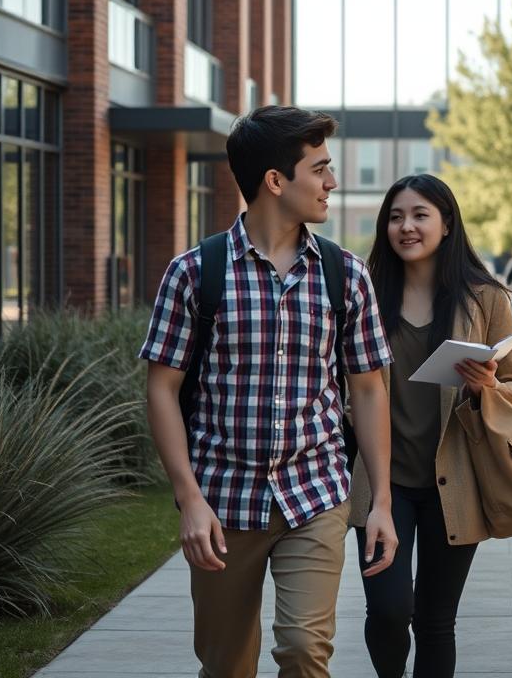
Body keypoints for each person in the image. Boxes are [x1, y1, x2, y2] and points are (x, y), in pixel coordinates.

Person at [140, 105, 398, 677]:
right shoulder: (193, 273)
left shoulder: (345, 275)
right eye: (321, 169)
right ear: (276, 181)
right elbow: (161, 389)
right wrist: (189, 499)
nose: (332, 183)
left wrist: (379, 501)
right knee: (227, 663)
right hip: (222, 498)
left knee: (306, 652)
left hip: (315, 491)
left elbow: (370, 391)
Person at [350, 173, 512, 677]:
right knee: (388, 611)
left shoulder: (486, 299)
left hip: (456, 482)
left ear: (446, 224)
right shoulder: (363, 292)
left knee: (434, 622)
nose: (406, 226)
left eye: (420, 215)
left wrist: (486, 386)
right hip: (382, 484)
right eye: (396, 216)